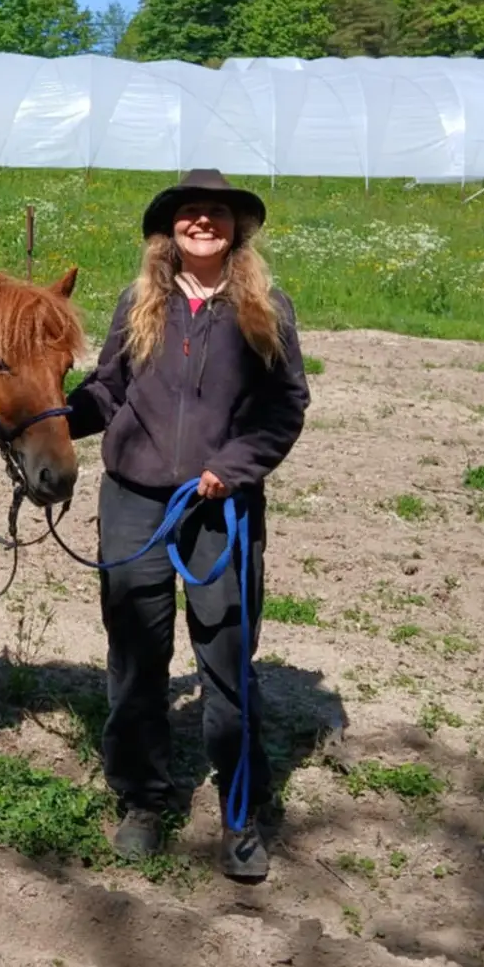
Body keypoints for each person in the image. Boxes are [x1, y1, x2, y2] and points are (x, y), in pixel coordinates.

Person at [67, 168, 311, 882]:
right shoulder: (139, 301)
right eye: (189, 213)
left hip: (220, 508)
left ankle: (240, 813)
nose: (202, 222)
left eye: (216, 214)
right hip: (134, 500)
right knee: (136, 658)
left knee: (227, 663)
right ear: (169, 229)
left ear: (237, 229)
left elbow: (284, 408)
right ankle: (143, 799)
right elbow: (108, 389)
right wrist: (53, 419)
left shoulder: (266, 307)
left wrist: (233, 466)